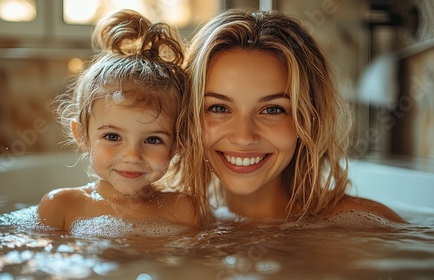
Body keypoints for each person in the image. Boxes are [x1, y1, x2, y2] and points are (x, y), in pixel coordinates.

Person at [179, 9, 405, 224]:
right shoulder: (175, 224)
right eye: (218, 108)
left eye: (272, 110)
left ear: (308, 118)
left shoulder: (362, 227)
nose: (244, 137)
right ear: (189, 115)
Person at [38, 9, 198, 231]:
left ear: (177, 144)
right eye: (112, 136)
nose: (133, 156)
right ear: (81, 134)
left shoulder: (183, 210)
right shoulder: (62, 207)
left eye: (153, 140)